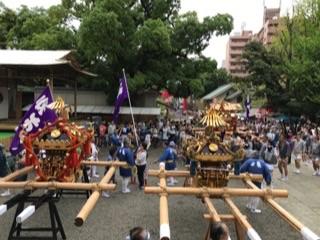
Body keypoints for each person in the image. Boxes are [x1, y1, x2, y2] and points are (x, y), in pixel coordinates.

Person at [240, 149, 271, 213]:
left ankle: (249, 205)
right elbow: (267, 173)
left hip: (249, 179)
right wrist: (268, 181)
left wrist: (243, 175)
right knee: (256, 195)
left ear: (252, 155)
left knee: (250, 192)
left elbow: (242, 169)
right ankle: (253, 208)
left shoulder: (249, 161)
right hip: (258, 180)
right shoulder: (262, 162)